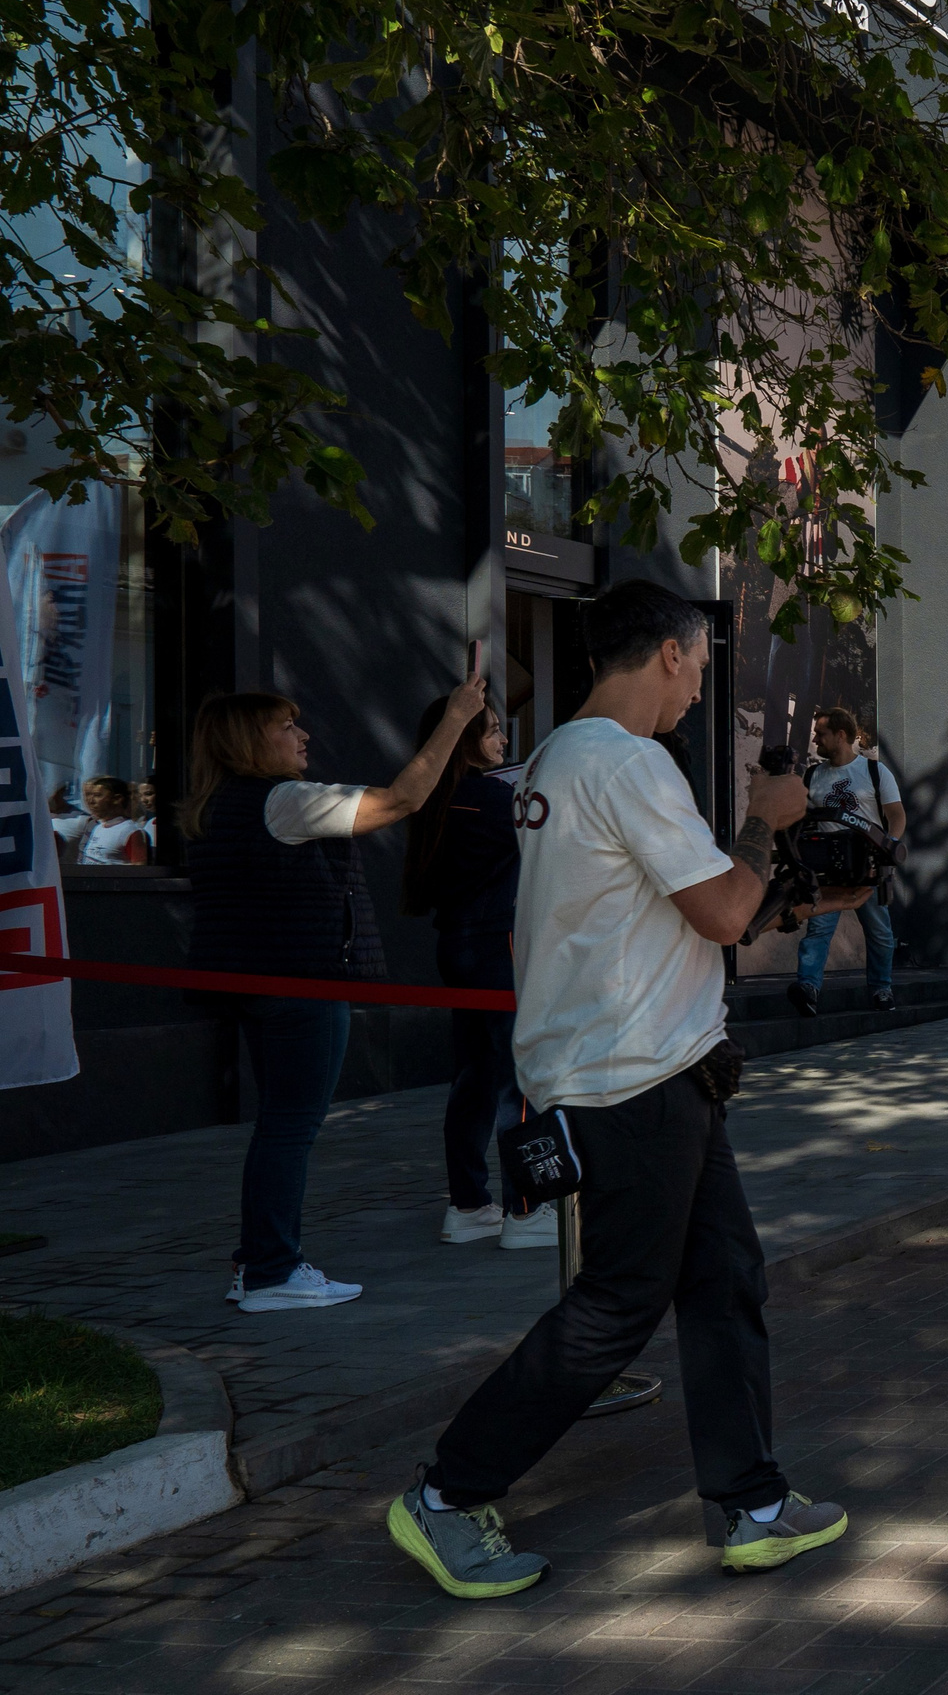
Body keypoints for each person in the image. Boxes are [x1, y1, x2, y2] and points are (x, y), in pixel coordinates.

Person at [391, 581, 853, 1598]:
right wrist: (769, 823)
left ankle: (755, 1503)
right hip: (629, 1073)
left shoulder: (557, 753)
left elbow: (664, 913)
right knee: (616, 1306)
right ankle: (444, 1492)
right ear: (673, 656)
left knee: (724, 1278)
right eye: (696, 668)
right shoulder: (629, 761)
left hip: (649, 1065)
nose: (695, 693)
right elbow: (724, 912)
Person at [185, 671, 490, 1313]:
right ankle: (271, 1269)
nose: (303, 735)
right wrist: (456, 718)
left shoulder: (222, 806)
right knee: (291, 1129)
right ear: (249, 740)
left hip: (262, 984)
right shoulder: (282, 802)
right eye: (286, 725)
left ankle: (260, 1264)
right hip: (300, 986)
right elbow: (402, 799)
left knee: (279, 1126)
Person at [399, 694, 549, 1249]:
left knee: (474, 1079)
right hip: (498, 943)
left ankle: (469, 1204)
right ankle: (528, 1209)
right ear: (463, 737)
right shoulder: (489, 797)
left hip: (459, 942)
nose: (503, 740)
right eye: (491, 731)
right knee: (520, 1076)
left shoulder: (439, 798)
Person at [788, 707, 903, 1015]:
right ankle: (808, 988)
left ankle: (881, 989)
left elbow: (896, 816)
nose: (815, 739)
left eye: (820, 733)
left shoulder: (875, 772)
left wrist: (888, 849)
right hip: (827, 867)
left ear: (841, 735)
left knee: (879, 932)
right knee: (819, 928)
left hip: (867, 866)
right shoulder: (812, 775)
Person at [75, 777, 149, 865]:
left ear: (117, 799)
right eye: (91, 795)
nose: (91, 801)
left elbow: (139, 866)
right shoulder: (98, 827)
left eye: (98, 795)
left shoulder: (130, 831)